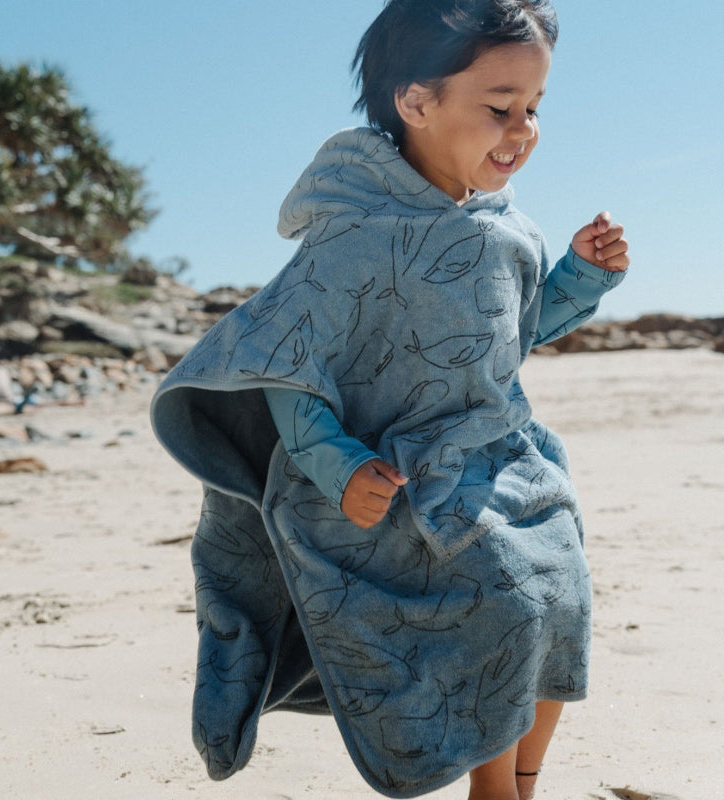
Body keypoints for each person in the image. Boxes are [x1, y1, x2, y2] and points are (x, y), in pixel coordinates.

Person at [151, 2, 629, 798]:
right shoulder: (352, 236)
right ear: (416, 101)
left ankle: (523, 784)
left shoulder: (508, 230)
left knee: (563, 604)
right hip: (395, 480)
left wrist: (581, 276)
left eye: (535, 108)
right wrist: (337, 466)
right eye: (499, 107)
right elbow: (286, 363)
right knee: (505, 602)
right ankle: (493, 789)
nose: (524, 129)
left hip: (510, 461)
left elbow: (506, 339)